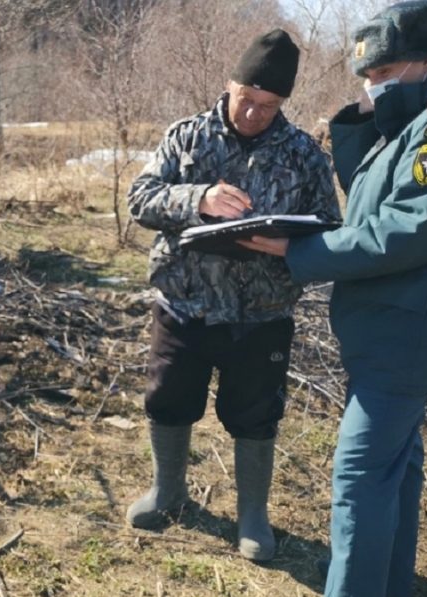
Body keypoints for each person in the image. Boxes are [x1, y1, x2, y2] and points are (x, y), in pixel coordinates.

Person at [239, 2, 427, 597]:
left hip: (407, 335)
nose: (371, 83)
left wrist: (297, 252)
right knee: (395, 470)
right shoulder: (425, 116)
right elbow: (371, 192)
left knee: (361, 478)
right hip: (395, 329)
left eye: (382, 73)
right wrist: (368, 116)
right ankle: (388, 586)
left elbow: (407, 230)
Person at [124, 29, 340, 561]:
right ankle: (168, 493)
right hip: (185, 303)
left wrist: (281, 243)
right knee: (169, 400)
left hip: (262, 312)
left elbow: (331, 227)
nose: (255, 115)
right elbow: (141, 198)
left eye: (269, 106)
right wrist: (199, 198)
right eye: (248, 100)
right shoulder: (187, 137)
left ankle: (252, 517)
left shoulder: (304, 154)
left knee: (255, 413)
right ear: (230, 85)